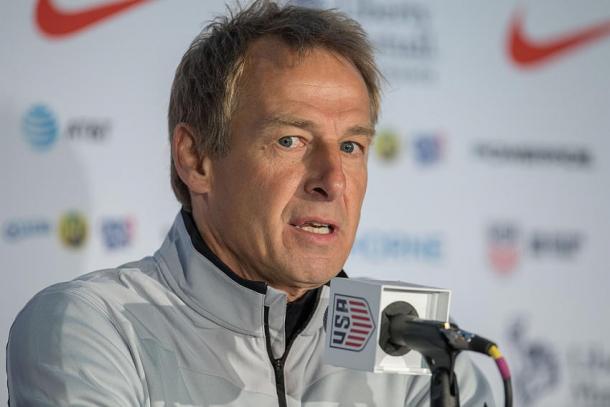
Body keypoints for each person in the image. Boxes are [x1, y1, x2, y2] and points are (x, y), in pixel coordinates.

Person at [7, 1, 494, 405]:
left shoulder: (414, 345)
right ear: (196, 159)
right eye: (291, 140)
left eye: (351, 147)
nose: (332, 181)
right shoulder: (93, 324)